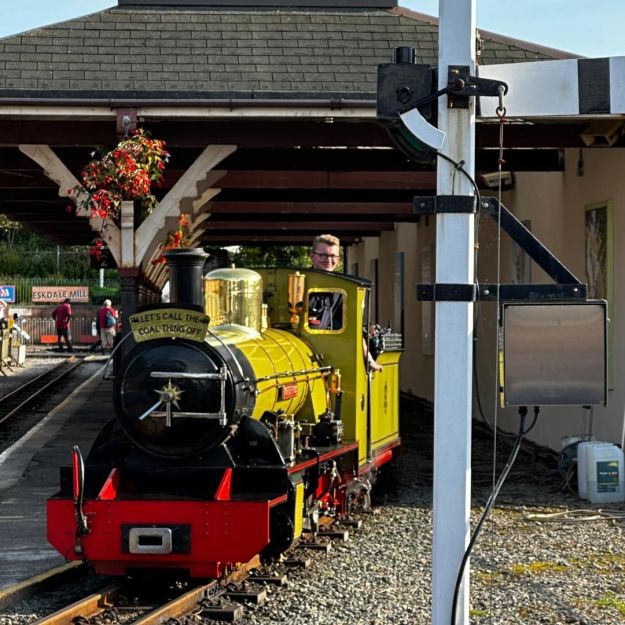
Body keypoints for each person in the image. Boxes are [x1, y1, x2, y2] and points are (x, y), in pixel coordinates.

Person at [309, 234, 382, 372]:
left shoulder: (345, 289)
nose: (328, 260)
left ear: (339, 259)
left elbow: (354, 327)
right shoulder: (300, 282)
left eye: (333, 256)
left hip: (340, 352)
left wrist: (369, 359)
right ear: (312, 256)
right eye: (323, 255)